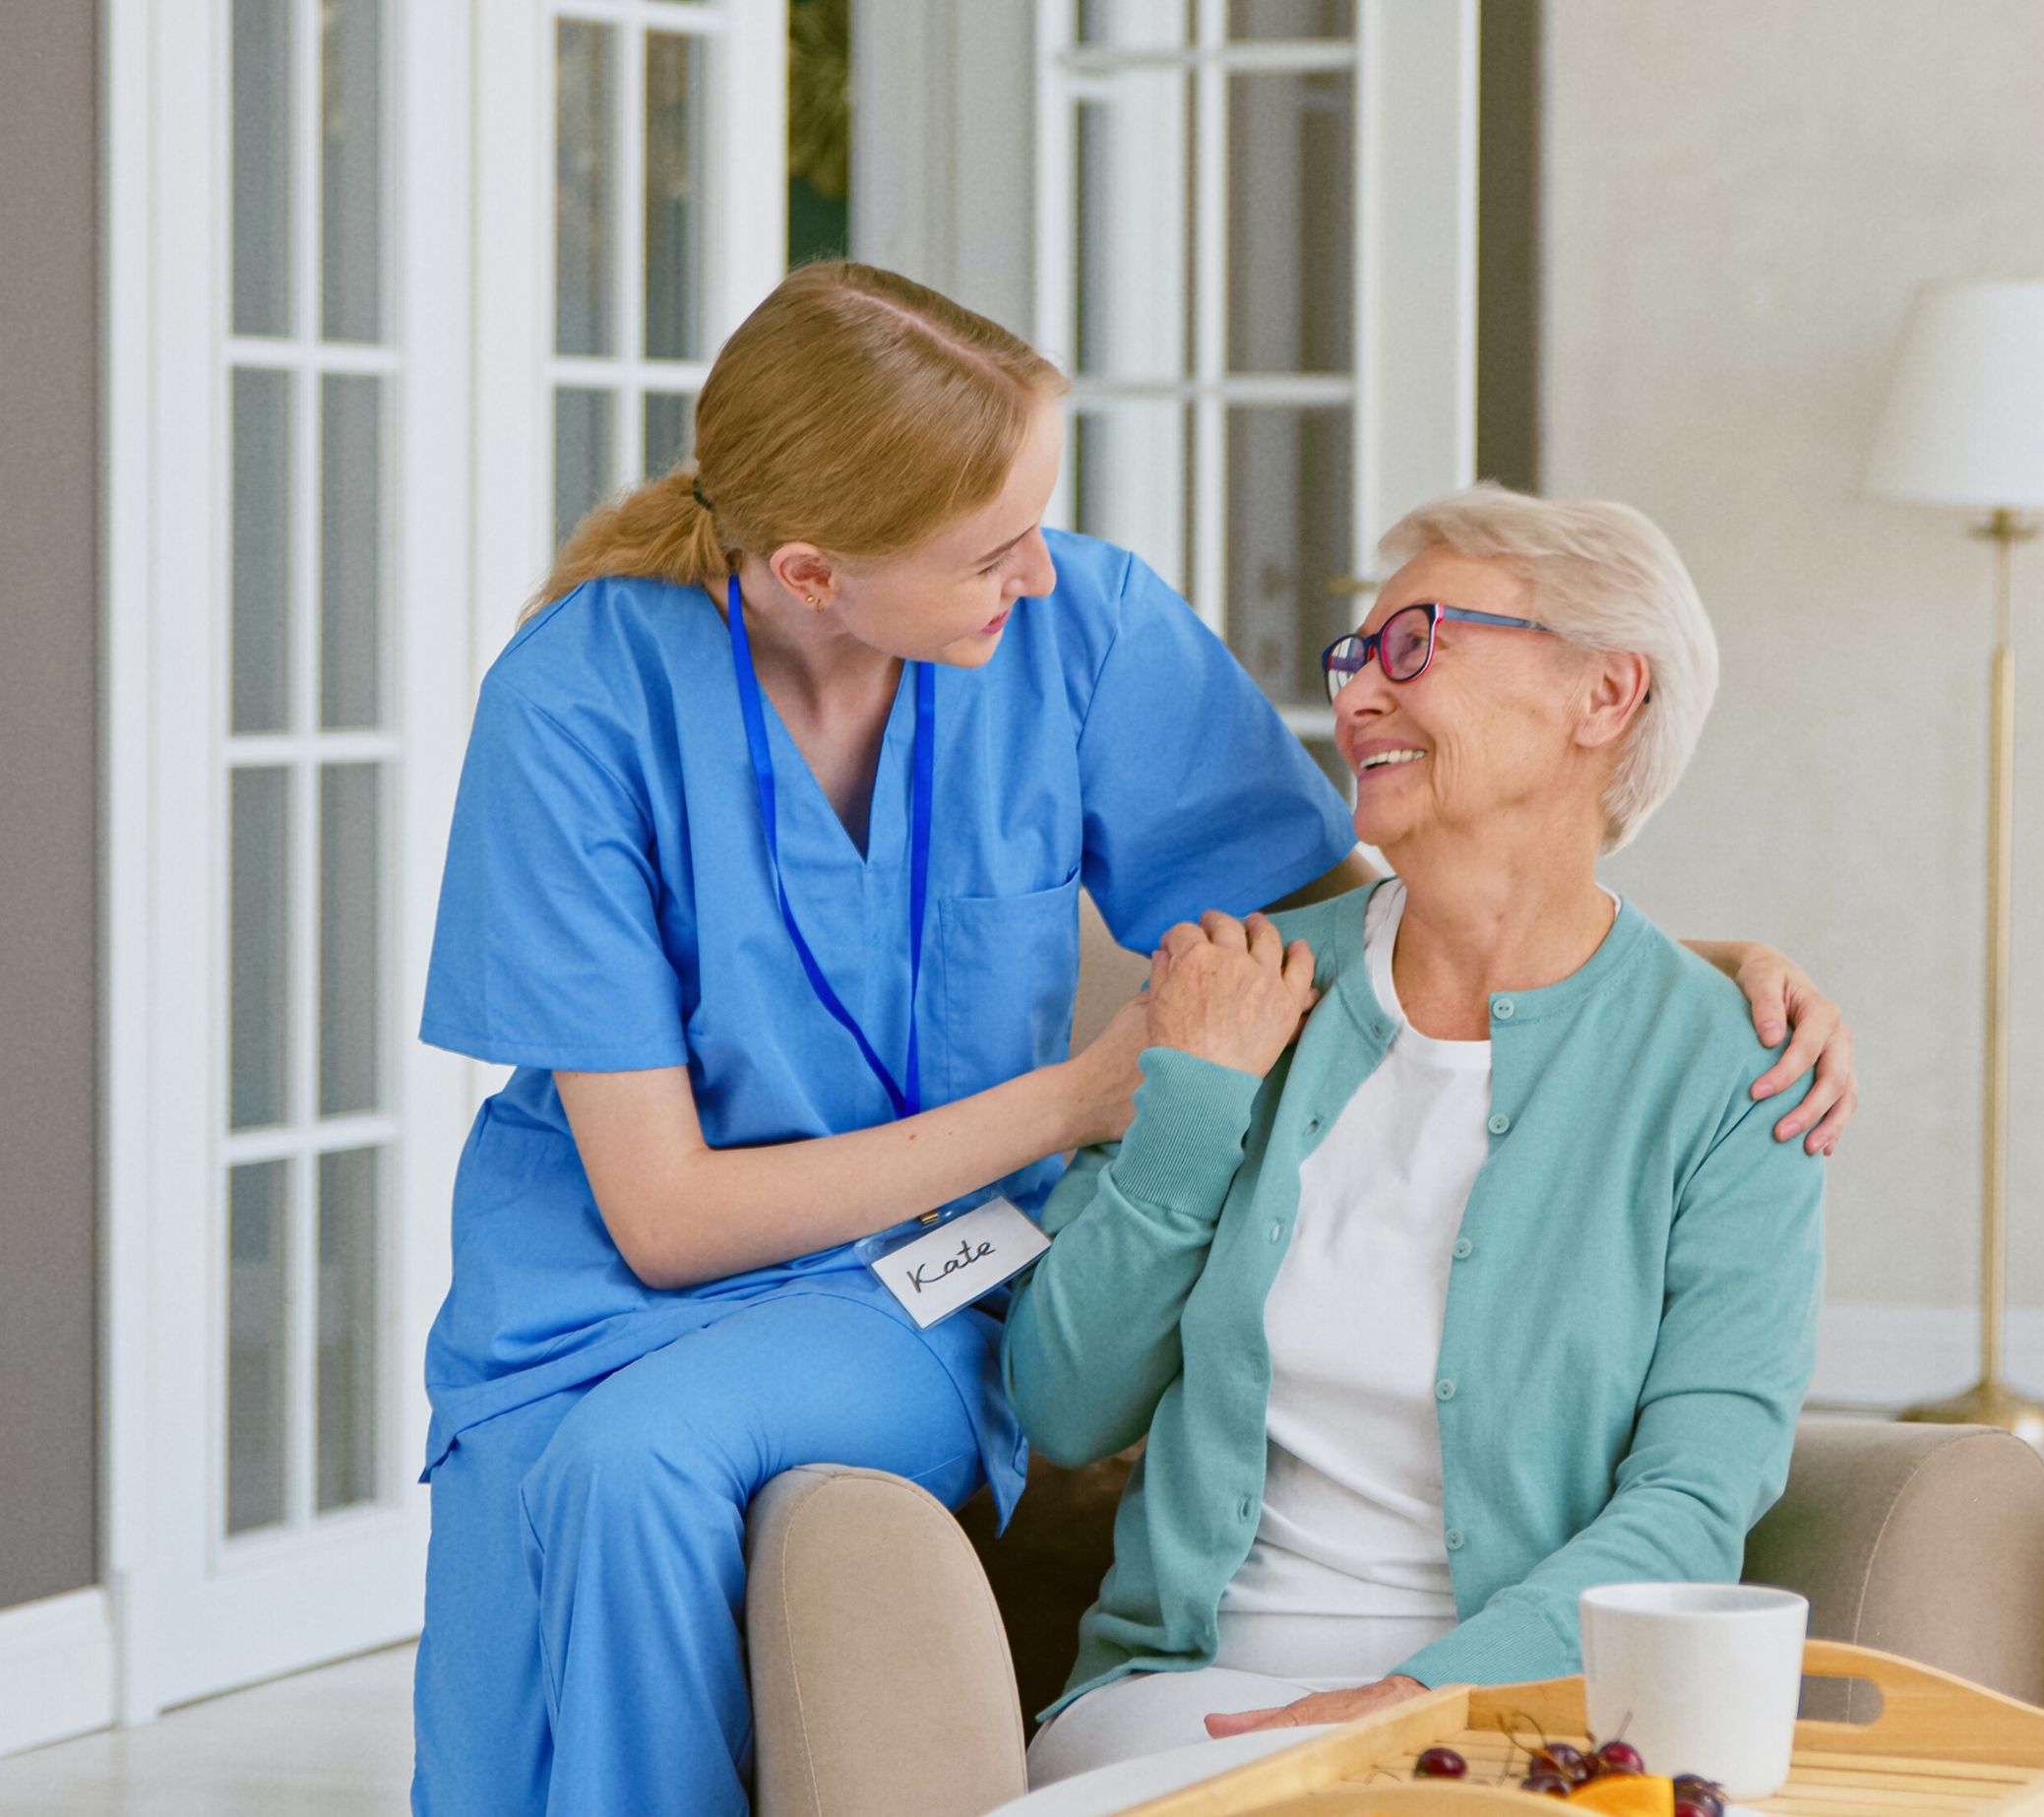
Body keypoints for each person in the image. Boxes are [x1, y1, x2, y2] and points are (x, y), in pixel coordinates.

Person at [410, 264, 1854, 1816]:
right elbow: (665, 1213)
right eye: (990, 544)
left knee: (633, 1472)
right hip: (604, 1270)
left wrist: (1666, 976)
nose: (1042, 568)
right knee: (516, 1647)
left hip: (903, 1281)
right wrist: (1084, 1100)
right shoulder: (577, 700)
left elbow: (1368, 902)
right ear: (818, 572)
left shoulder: (1078, 629)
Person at [1008, 486, 1827, 1784]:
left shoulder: (1736, 1073)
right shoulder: (1240, 990)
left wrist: (1413, 1700)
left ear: (1604, 696)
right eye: (1352, 658)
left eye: (1414, 645)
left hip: (1530, 1713)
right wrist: (1193, 1109)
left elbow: (1695, 1492)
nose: (1356, 699)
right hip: (1189, 1700)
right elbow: (1063, 1403)